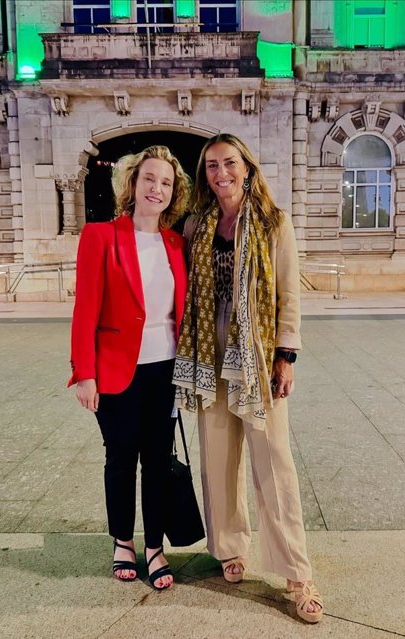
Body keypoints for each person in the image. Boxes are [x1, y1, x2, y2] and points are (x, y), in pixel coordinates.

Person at [173, 133, 323, 623]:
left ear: (248, 167)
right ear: (205, 175)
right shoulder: (195, 224)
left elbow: (287, 294)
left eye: (230, 163)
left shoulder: (275, 223)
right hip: (207, 350)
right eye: (212, 166)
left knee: (274, 462)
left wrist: (287, 356)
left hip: (255, 354)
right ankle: (229, 547)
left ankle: (297, 573)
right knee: (218, 457)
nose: (221, 173)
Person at [69, 145, 190, 590]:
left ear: (172, 193)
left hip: (165, 369)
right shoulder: (100, 236)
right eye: (149, 179)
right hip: (116, 369)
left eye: (166, 182)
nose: (156, 188)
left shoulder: (176, 243)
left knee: (157, 461)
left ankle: (155, 546)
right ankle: (123, 541)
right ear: (132, 184)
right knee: (120, 458)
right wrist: (85, 372)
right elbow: (85, 309)